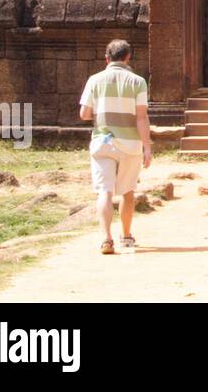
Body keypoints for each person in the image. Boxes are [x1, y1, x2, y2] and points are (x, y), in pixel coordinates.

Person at [78, 39, 152, 256]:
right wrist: (147, 147)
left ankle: (106, 238)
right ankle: (126, 236)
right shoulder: (138, 82)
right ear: (128, 57)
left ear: (106, 58)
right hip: (130, 143)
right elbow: (141, 117)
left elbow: (84, 114)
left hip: (103, 141)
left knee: (104, 191)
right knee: (128, 191)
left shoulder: (95, 80)